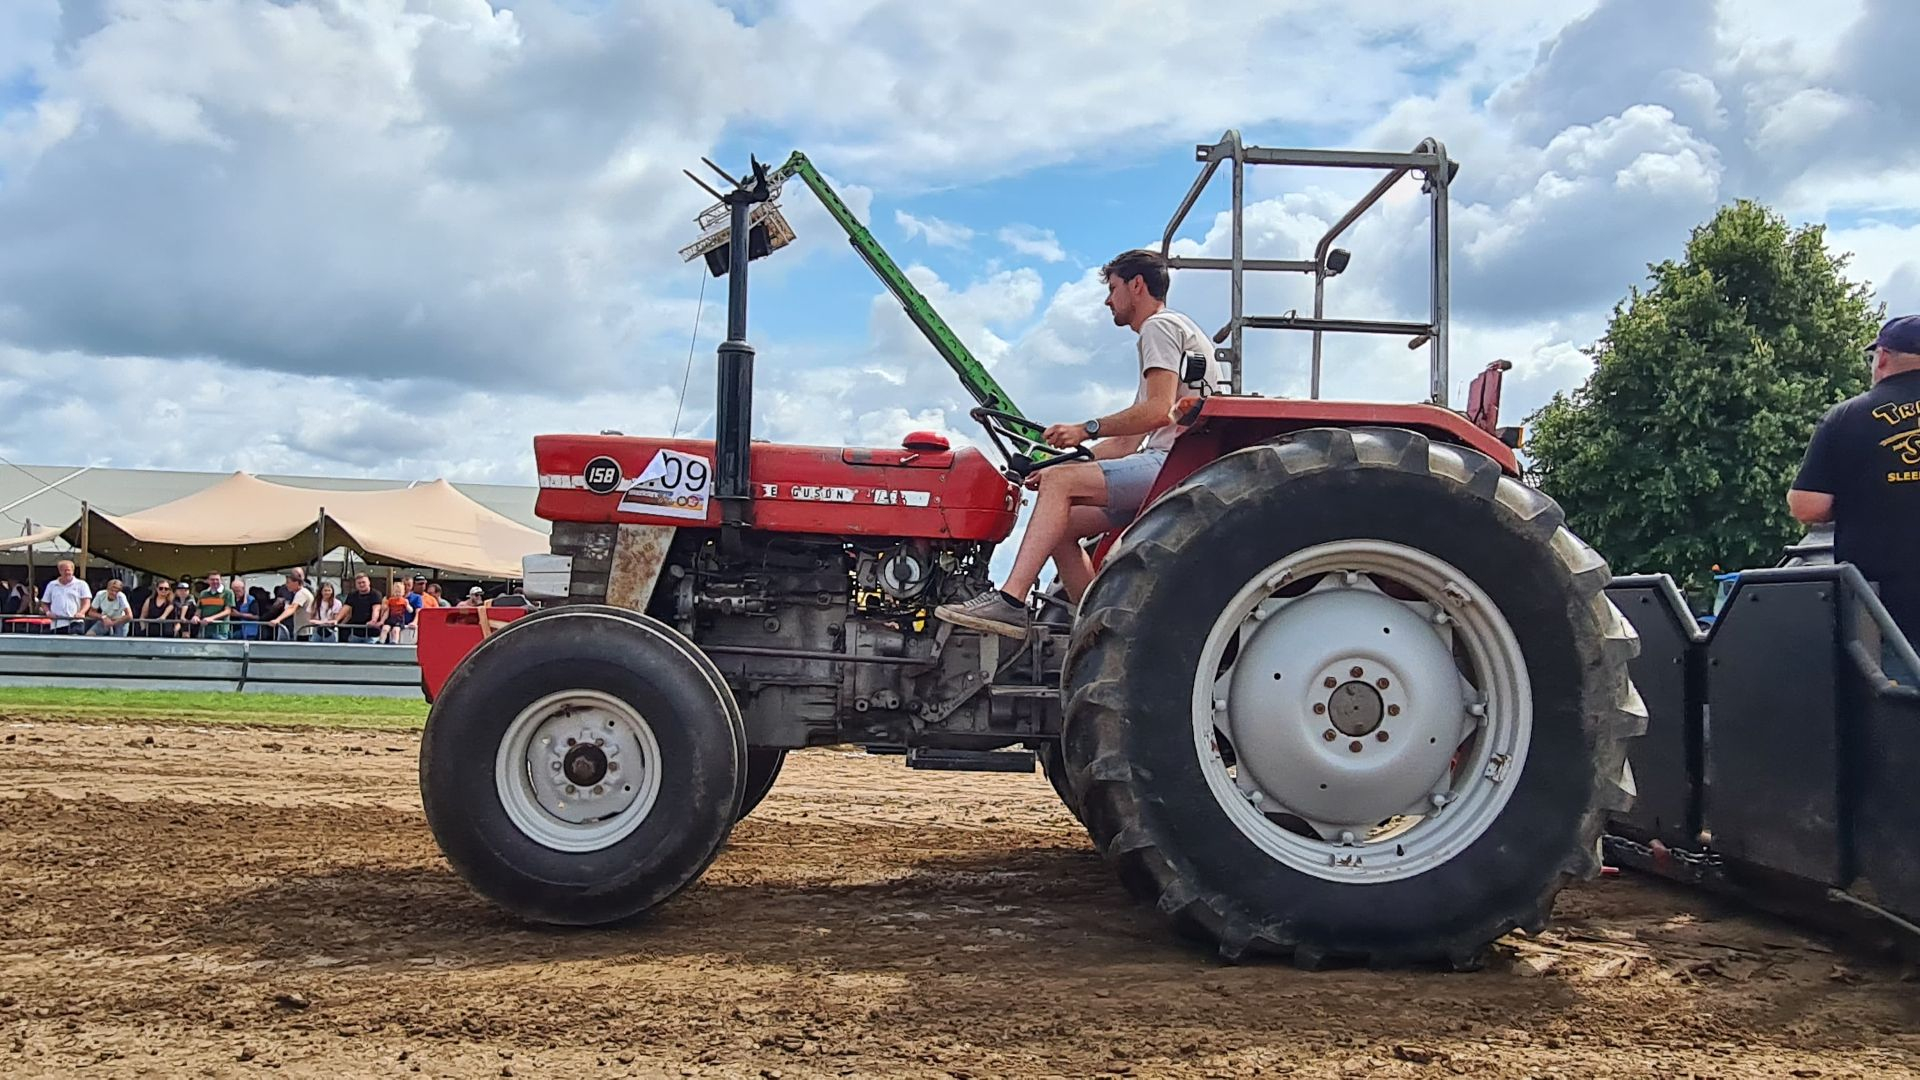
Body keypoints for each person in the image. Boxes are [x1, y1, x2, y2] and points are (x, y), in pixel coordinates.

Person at [935, 248, 1224, 637]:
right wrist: (1056, 464)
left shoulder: (1160, 327)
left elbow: (1158, 412)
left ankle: (1011, 601)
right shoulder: (1177, 331)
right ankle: (1098, 628)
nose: (1108, 300)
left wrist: (1085, 429)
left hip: (1168, 467)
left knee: (1061, 486)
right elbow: (1125, 446)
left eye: (1114, 288)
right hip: (1163, 463)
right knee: (1061, 524)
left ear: (1137, 285)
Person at [1791, 314, 1920, 683]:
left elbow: (1807, 506)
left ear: (1882, 357)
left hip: (1889, 609)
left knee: (1902, 720)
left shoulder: (1848, 417)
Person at [40, 560, 92, 635]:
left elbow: (87, 602)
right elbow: (44, 602)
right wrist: (48, 612)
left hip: (75, 621)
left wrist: (81, 613)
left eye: (68, 570)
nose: (67, 572)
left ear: (73, 571)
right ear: (59, 571)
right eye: (64, 570)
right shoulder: (52, 585)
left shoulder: (82, 584)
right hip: (57, 623)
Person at [267, 569, 314, 641]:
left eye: (288, 582)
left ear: (296, 583)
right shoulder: (301, 593)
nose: (286, 585)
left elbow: (292, 608)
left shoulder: (301, 593)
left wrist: (277, 619)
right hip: (303, 630)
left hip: (305, 631)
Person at [340, 572, 385, 643]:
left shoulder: (376, 594)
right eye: (359, 583)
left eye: (363, 582)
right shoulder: (352, 595)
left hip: (371, 632)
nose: (361, 584)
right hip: (355, 632)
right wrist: (336, 620)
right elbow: (345, 608)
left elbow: (376, 609)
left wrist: (373, 620)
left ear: (369, 582)